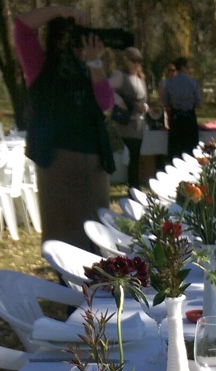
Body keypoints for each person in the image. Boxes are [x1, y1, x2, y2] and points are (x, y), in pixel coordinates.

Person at [13, 4, 115, 250]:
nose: (77, 46)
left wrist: (95, 63)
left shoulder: (90, 67)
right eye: (72, 38)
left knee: (99, 243)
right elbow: (21, 27)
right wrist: (60, 10)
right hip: (55, 166)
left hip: (93, 165)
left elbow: (105, 104)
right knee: (63, 245)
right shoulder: (39, 65)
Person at [109, 46, 148, 189]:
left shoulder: (141, 79)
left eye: (139, 61)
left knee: (136, 155)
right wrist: (122, 102)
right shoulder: (120, 75)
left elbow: (145, 101)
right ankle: (133, 186)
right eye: (133, 61)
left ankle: (134, 185)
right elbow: (106, 89)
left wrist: (145, 107)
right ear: (127, 61)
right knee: (134, 152)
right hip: (126, 122)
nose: (136, 64)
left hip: (139, 123)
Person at [162, 56, 201, 160]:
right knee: (191, 150)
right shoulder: (193, 82)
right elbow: (199, 102)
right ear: (183, 67)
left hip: (176, 119)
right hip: (189, 119)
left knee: (176, 152)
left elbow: (165, 102)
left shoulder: (169, 82)